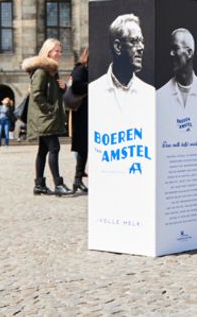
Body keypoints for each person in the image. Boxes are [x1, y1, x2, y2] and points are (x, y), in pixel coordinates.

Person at [23, 38, 71, 196]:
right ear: (48, 51)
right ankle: (58, 184)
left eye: (60, 50)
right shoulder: (42, 71)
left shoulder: (52, 71)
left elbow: (55, 93)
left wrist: (63, 88)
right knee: (54, 148)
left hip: (46, 117)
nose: (59, 53)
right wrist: (50, 110)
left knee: (43, 150)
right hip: (44, 117)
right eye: (56, 50)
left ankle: (39, 185)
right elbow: (36, 94)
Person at [91, 13, 152, 117]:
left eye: (142, 41)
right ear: (118, 47)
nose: (141, 48)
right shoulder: (94, 91)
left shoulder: (149, 93)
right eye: (134, 41)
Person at [68, 47, 90, 193]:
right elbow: (76, 86)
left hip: (89, 112)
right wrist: (94, 86)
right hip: (82, 113)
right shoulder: (80, 69)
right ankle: (77, 179)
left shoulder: (88, 70)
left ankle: (79, 178)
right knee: (83, 147)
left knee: (86, 147)